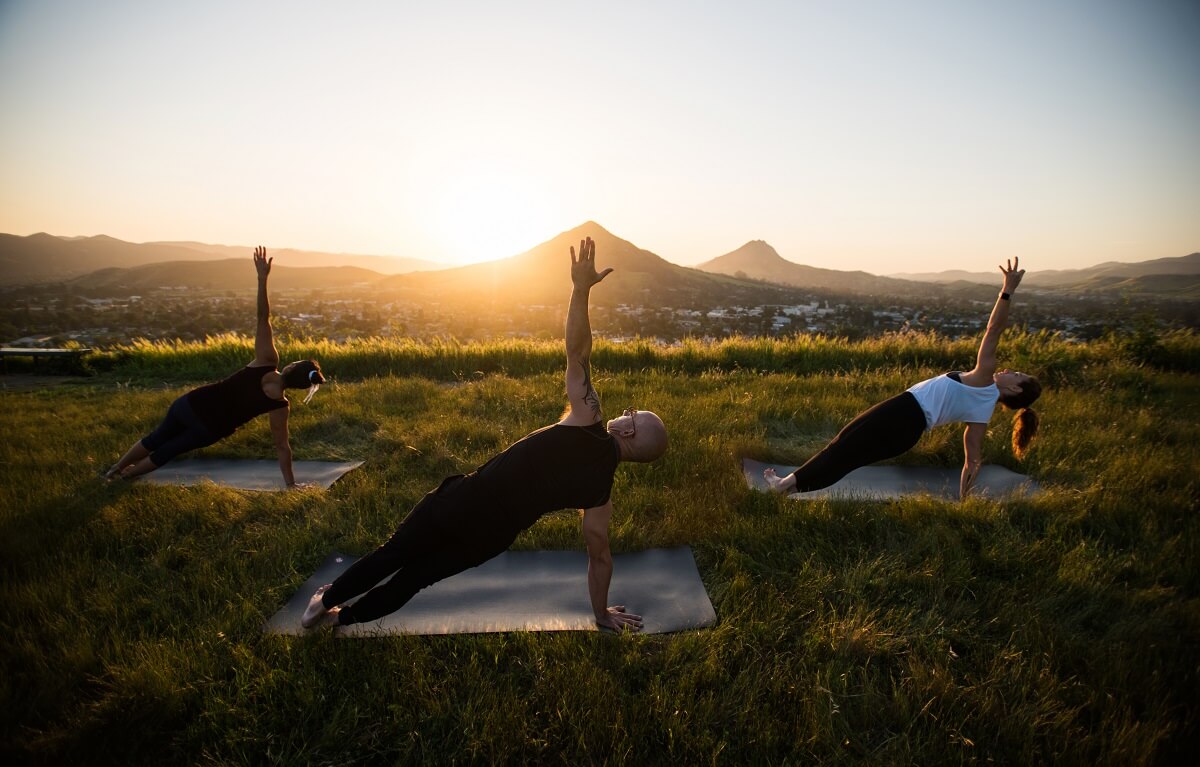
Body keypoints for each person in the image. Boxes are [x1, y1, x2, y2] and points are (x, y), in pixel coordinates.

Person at [300, 236, 669, 631]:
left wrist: (580, 289)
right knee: (415, 578)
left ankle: (325, 600)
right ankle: (344, 619)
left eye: (632, 413)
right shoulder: (601, 496)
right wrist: (601, 613)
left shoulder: (589, 418)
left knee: (394, 554)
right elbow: (600, 559)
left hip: (462, 500)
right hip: (490, 539)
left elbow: (577, 351)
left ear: (628, 428)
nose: (625, 412)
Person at [764, 258, 1041, 500]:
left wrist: (1006, 291)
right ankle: (789, 488)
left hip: (903, 413)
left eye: (1016, 375)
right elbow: (973, 461)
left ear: (1015, 388)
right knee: (846, 458)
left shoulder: (984, 380)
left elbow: (993, 330)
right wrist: (964, 499)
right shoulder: (983, 412)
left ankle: (785, 485)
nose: (1009, 370)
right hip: (908, 431)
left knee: (841, 448)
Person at [105, 247, 326, 487]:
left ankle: (114, 470)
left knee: (154, 439)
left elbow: (263, 317)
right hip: (209, 429)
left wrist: (262, 279)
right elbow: (282, 447)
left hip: (192, 404)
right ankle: (124, 478)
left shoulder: (266, 361)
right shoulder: (280, 405)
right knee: (168, 450)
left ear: (291, 367)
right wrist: (291, 484)